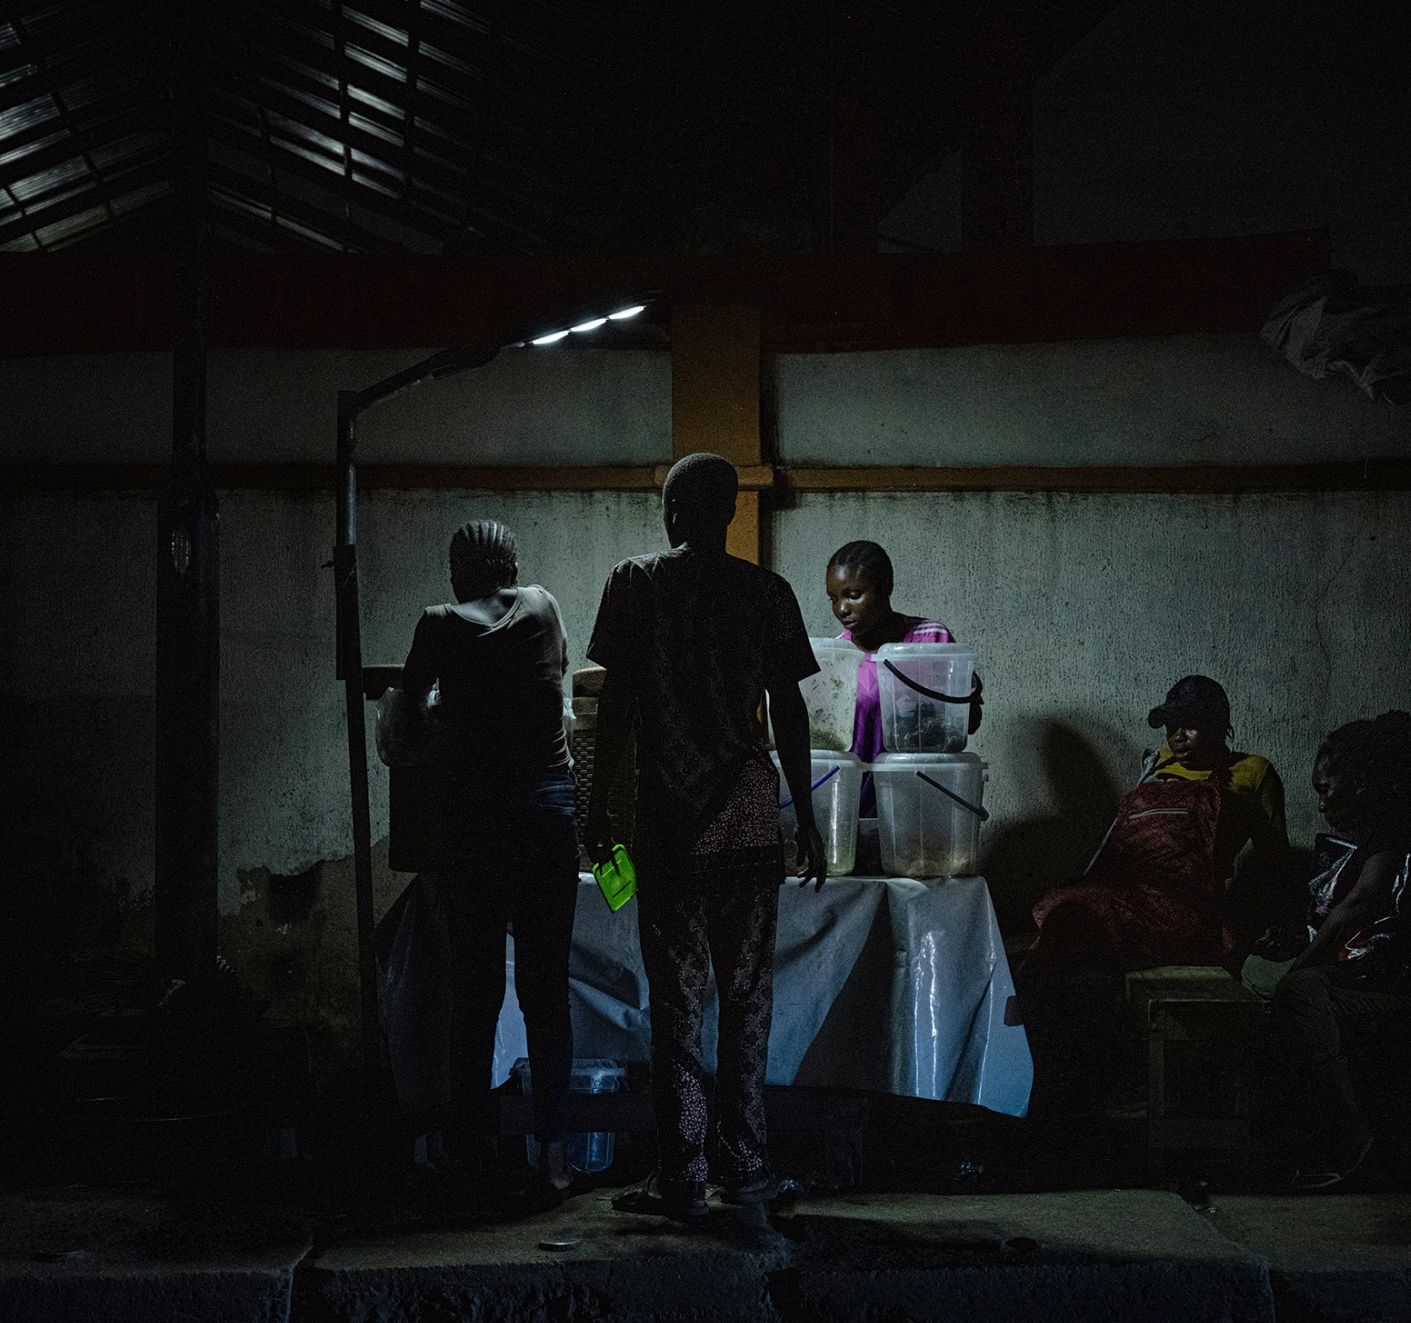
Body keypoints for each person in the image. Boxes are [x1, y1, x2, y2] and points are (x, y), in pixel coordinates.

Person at [587, 454, 826, 1224]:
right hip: (751, 817)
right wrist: (808, 818)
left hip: (671, 824)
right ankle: (749, 1169)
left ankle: (682, 1176)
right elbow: (788, 711)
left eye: (667, 502)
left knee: (679, 1004)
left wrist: (599, 808)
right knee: (748, 999)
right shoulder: (767, 593)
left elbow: (615, 708)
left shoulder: (635, 583)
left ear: (682, 509)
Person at [389, 521, 580, 1204]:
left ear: (457, 571)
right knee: (546, 990)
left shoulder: (439, 623)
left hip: (477, 824)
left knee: (475, 996)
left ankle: (471, 1157)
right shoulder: (545, 605)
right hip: (550, 818)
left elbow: (406, 719)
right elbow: (552, 685)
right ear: (512, 563)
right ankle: (554, 1156)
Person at [1021, 675, 1288, 1117]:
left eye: (1190, 726)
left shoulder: (1252, 773)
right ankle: (1069, 1088)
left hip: (1187, 911)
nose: (1177, 737)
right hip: (1136, 901)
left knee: (1079, 933)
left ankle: (1080, 1092)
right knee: (1070, 926)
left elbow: (1273, 862)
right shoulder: (1157, 765)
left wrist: (1278, 923)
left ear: (1220, 726)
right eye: (1170, 726)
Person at [1269, 710, 1411, 1190]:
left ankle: (1353, 1141)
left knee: (1298, 993)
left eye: (1326, 788)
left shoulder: (1403, 824)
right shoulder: (1409, 823)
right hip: (1409, 977)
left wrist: (1302, 963)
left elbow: (1362, 904)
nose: (1321, 804)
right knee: (1291, 982)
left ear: (1361, 782)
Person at [825, 540, 976, 815]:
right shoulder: (838, 657)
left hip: (923, 802)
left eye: (854, 595)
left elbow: (968, 722)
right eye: (834, 599)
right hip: (856, 806)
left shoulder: (931, 639)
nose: (842, 609)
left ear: (885, 588)